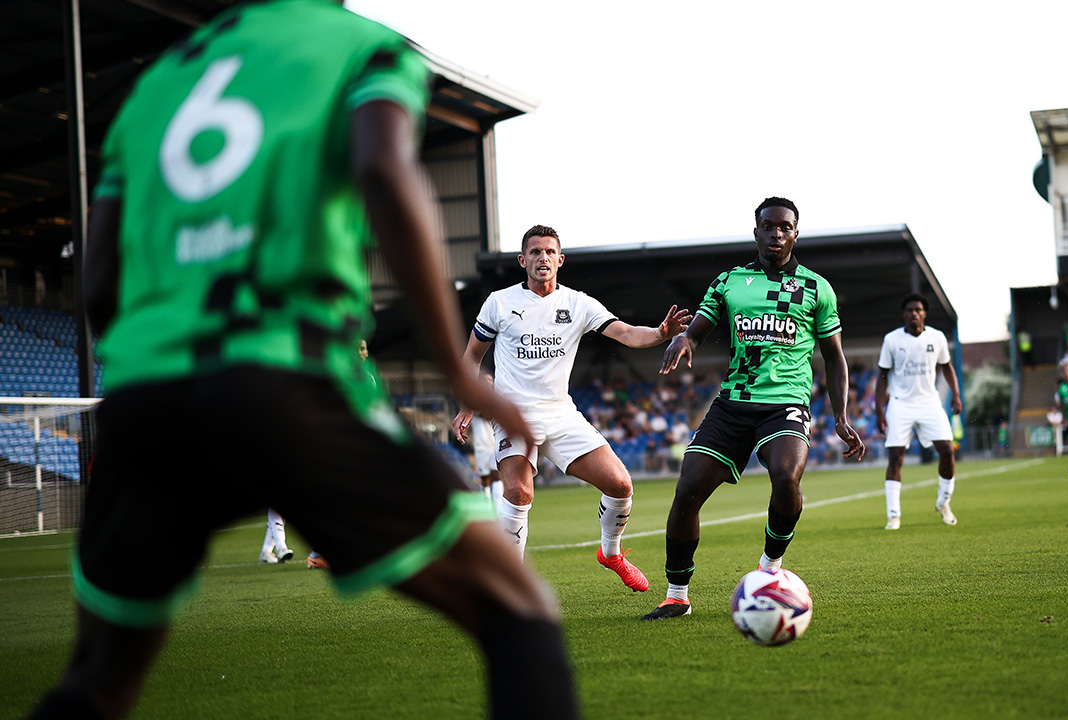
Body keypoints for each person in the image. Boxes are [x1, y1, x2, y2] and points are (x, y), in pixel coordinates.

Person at [26, 3, 578, 718]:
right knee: (518, 611)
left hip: (145, 402)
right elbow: (385, 168)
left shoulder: (159, 84)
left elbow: (99, 278)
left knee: (97, 682)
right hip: (285, 381)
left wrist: (154, 371)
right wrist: (453, 363)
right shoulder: (360, 47)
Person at [642, 197, 865, 621]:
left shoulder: (817, 288)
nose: (777, 234)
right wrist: (684, 340)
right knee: (687, 489)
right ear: (756, 231)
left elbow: (834, 357)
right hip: (733, 404)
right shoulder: (729, 282)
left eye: (785, 227)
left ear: (795, 233)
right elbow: (698, 329)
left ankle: (769, 570)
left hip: (786, 403)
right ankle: (676, 596)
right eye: (769, 226)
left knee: (786, 475)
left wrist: (840, 415)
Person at [452, 224, 691, 592]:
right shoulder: (499, 303)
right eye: (535, 252)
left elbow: (625, 333)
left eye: (549, 252)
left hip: (561, 414)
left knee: (620, 485)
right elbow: (472, 355)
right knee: (518, 493)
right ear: (522, 260)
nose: (542, 258)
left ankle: (611, 553)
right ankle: (508, 587)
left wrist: (660, 333)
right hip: (513, 414)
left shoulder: (579, 304)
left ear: (560, 260)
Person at [874, 293, 963, 530]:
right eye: (909, 310)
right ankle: (894, 516)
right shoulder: (891, 340)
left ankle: (943, 502)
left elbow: (946, 367)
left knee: (946, 450)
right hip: (900, 403)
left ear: (924, 313)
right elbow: (882, 376)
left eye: (918, 310)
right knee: (896, 457)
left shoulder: (937, 337)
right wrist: (879, 410)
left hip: (929, 402)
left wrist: (955, 394)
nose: (914, 313)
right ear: (904, 314)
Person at [307, 337, 375, 571]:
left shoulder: (368, 376)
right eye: (358, 348)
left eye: (364, 348)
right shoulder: (336, 371)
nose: (362, 352)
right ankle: (320, 552)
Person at [473, 370, 504, 505]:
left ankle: (498, 512)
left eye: (490, 380)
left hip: (496, 442)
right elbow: (485, 414)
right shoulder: (473, 400)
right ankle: (486, 509)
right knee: (485, 479)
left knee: (497, 475)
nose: (488, 383)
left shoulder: (497, 399)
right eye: (485, 381)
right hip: (482, 445)